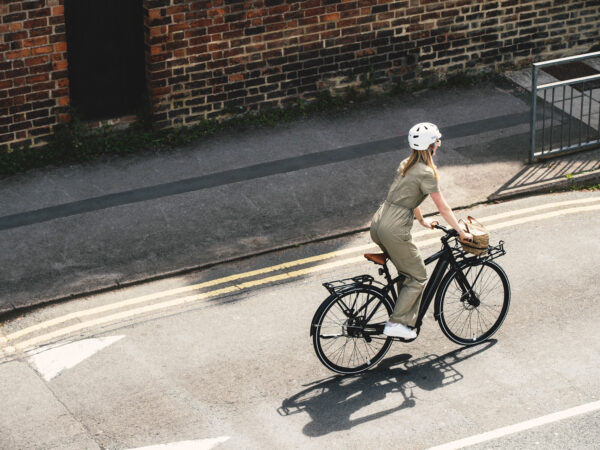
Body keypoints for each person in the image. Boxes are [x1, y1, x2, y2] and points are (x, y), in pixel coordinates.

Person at [370, 122, 473, 339]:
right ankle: (397, 323)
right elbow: (443, 207)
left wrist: (423, 221)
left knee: (407, 272)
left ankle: (407, 314)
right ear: (431, 145)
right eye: (437, 141)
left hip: (379, 222)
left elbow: (407, 197)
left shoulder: (405, 164)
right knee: (418, 276)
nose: (439, 144)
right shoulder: (427, 173)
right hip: (394, 228)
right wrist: (461, 231)